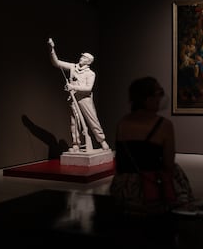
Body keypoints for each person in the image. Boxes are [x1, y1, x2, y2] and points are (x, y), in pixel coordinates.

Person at [109, 76, 194, 214]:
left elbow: (120, 161)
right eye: (159, 93)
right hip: (152, 189)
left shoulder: (122, 123)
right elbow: (168, 164)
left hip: (124, 189)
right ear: (147, 99)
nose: (161, 98)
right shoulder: (164, 125)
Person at [47, 38, 110, 152]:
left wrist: (73, 87)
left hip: (85, 99)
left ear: (88, 61)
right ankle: (76, 143)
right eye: (82, 56)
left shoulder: (90, 74)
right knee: (74, 121)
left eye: (84, 57)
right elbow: (56, 63)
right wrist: (52, 49)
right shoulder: (73, 67)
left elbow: (88, 88)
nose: (81, 58)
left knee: (92, 120)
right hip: (74, 98)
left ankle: (102, 141)